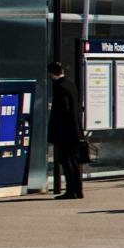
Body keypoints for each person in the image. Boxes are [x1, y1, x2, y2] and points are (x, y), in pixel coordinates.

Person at [47, 61, 86, 199]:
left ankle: (71, 190)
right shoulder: (70, 84)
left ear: (51, 74)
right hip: (75, 130)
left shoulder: (60, 87)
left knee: (66, 160)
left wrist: (55, 132)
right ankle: (78, 189)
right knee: (74, 161)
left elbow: (63, 111)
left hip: (66, 132)